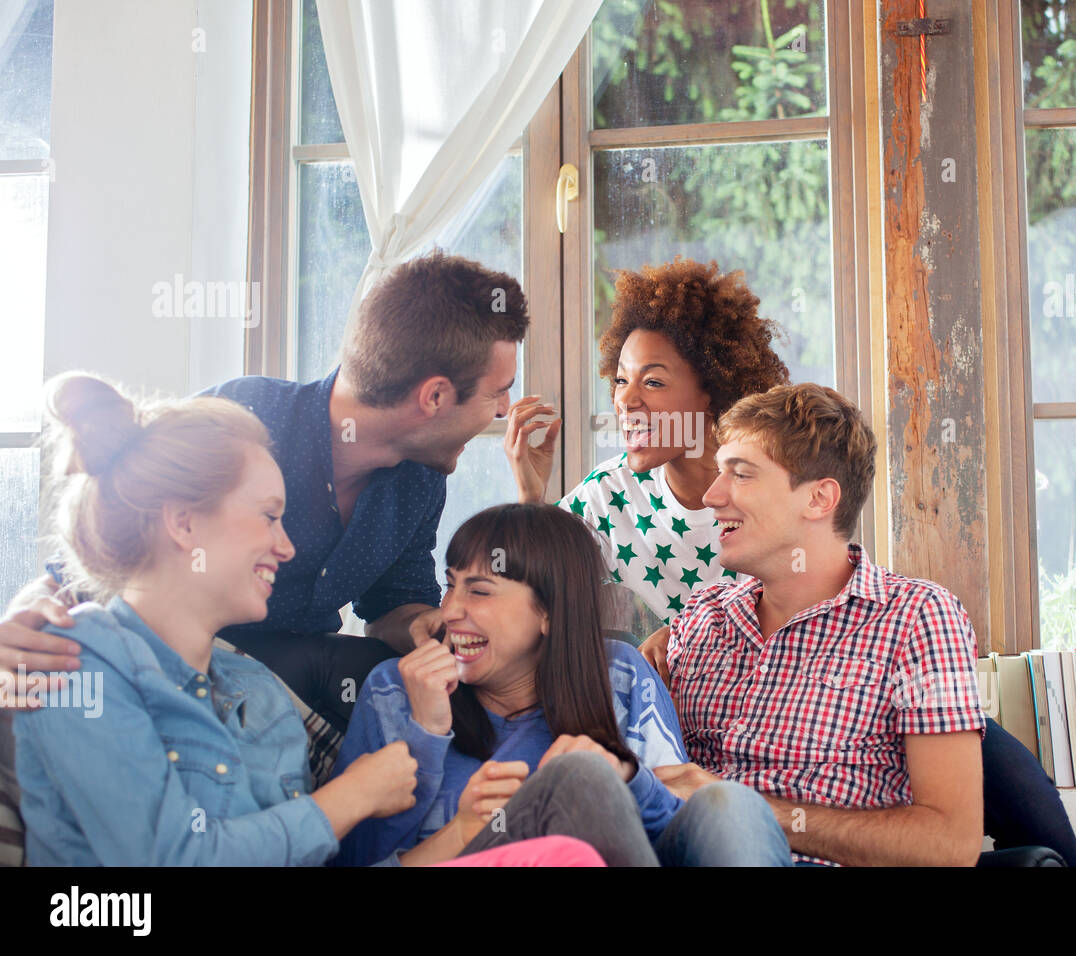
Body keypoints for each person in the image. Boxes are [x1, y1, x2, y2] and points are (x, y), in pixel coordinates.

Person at [13, 374, 642, 868]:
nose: (288, 549)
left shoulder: (257, 690)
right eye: (267, 516)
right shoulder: (71, 661)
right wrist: (350, 797)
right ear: (184, 524)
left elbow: (353, 841)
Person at [1, 250, 528, 735]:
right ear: (434, 396)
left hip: (287, 682)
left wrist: (423, 623)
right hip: (170, 663)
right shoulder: (246, 418)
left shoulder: (420, 481)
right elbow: (101, 539)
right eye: (498, 392)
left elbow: (390, 605)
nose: (506, 410)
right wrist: (21, 621)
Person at [332, 503, 792, 867]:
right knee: (579, 775)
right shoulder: (395, 690)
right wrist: (426, 736)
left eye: (479, 590)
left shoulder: (620, 674)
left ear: (549, 612)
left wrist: (627, 777)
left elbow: (678, 829)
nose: (449, 610)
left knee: (731, 805)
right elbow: (354, 859)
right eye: (449, 586)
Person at [652, 383, 987, 866]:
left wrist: (738, 805)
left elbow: (949, 846)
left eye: (740, 475)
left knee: (726, 811)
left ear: (819, 499)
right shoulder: (701, 617)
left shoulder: (918, 618)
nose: (711, 495)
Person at [504, 258, 789, 633]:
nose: (625, 400)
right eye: (621, 380)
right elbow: (525, 596)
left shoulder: (773, 493)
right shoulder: (607, 494)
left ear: (712, 390)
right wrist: (530, 498)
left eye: (652, 382)